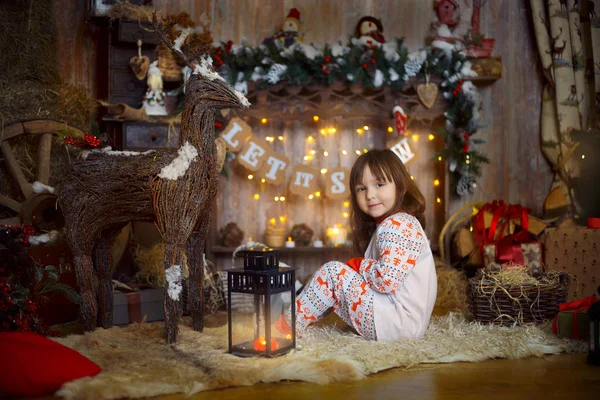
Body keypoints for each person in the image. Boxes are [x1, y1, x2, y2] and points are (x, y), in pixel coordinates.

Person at [279, 149, 437, 341]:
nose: (370, 195)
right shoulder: (395, 224)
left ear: (401, 187)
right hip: (402, 323)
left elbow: (386, 280)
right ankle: (304, 307)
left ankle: (286, 326)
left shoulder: (397, 224)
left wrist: (358, 265)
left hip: (397, 322)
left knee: (332, 273)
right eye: (361, 189)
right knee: (333, 283)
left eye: (379, 184)